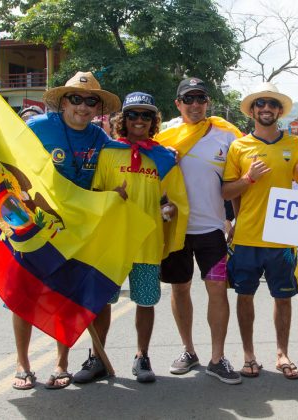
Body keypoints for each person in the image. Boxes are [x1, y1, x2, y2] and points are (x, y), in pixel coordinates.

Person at [11, 71, 121, 390]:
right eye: (76, 98)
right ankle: (23, 363)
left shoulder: (101, 139)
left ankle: (62, 362)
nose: (83, 107)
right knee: (25, 297)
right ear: (62, 101)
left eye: (91, 101)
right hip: (35, 227)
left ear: (97, 108)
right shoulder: (37, 128)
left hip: (79, 232)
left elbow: (119, 170)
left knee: (69, 297)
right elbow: (8, 160)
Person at [74, 92, 183, 384]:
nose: (139, 120)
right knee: (102, 302)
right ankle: (97, 357)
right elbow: (95, 196)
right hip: (111, 244)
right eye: (133, 115)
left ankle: (141, 356)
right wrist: (112, 196)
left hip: (146, 242)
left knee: (145, 302)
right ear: (123, 119)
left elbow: (168, 199)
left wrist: (168, 207)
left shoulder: (164, 157)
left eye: (145, 115)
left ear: (153, 121)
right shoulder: (108, 153)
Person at [222, 82, 298, 380]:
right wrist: (247, 179)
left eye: (272, 104)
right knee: (244, 296)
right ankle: (249, 355)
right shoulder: (239, 146)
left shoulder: (295, 145)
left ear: (279, 110)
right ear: (252, 110)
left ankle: (282, 353)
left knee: (283, 298)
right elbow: (226, 192)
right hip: (247, 236)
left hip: (283, 238)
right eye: (260, 104)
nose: (266, 108)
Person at [156, 77, 244, 384]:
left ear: (208, 103)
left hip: (212, 230)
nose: (195, 104)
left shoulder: (227, 135)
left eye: (200, 99)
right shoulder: (164, 137)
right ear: (178, 104)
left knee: (217, 289)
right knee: (179, 288)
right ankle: (188, 350)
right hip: (175, 229)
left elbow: (239, 180)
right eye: (188, 99)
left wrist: (236, 221)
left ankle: (217, 358)